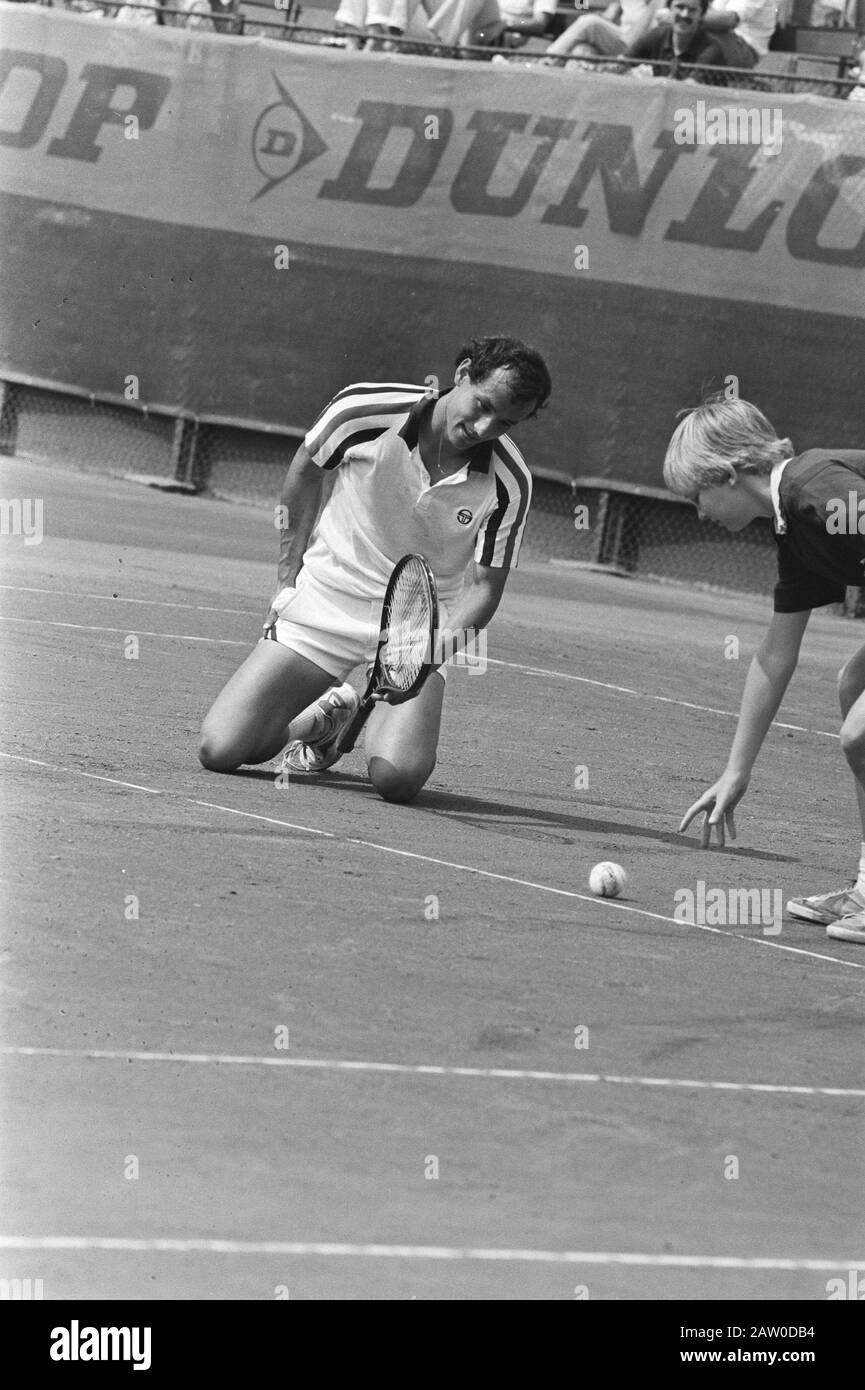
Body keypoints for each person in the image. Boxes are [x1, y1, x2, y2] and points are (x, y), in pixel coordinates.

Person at [198, 336, 552, 804]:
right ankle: (322, 719)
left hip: (415, 628)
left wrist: (426, 658)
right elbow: (305, 470)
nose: (484, 427)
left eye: (504, 422)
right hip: (327, 598)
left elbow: (484, 589)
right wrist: (286, 583)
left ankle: (349, 714)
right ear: (462, 373)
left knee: (398, 780)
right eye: (482, 405)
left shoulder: (511, 482)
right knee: (221, 748)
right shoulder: (365, 408)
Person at [664, 393, 865, 945]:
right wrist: (736, 770)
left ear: (726, 473)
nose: (699, 511)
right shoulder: (792, 526)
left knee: (861, 730)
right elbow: (776, 654)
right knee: (855, 686)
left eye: (696, 495)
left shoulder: (817, 490)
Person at [540, 0, 665, 68]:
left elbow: (638, 36)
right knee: (582, 50)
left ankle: (545, 62)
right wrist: (606, 15)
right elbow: (608, 14)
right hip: (619, 38)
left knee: (589, 22)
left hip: (637, 46)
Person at [626, 0, 727, 79]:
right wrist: (619, 70)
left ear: (701, 15)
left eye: (692, 10)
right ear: (669, 9)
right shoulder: (657, 35)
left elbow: (686, 89)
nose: (684, 14)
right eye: (680, 7)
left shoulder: (711, 50)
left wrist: (646, 82)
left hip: (698, 104)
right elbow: (620, 64)